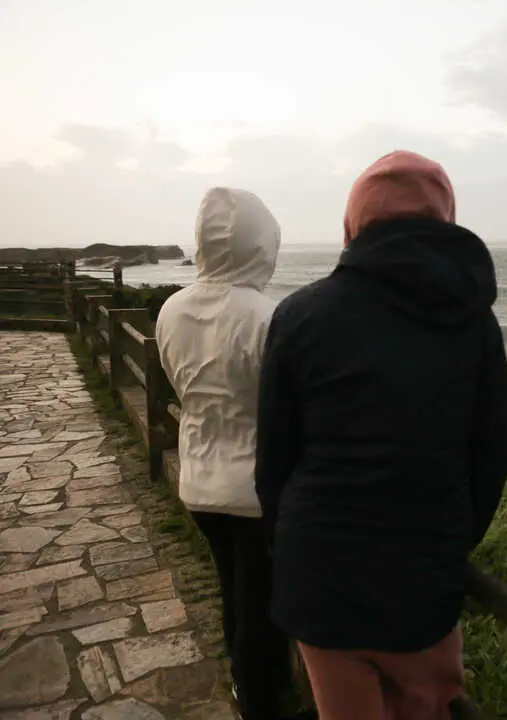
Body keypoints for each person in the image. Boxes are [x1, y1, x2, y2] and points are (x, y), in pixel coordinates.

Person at [255, 150, 507, 719]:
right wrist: (449, 540)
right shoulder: (473, 321)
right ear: (444, 217)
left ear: (354, 224)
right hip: (420, 577)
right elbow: (493, 450)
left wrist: (293, 541)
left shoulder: (301, 315)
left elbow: (273, 459)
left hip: (318, 573)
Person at [156, 187, 298, 720]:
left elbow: (180, 386)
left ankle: (249, 686)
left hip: (198, 477)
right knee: (259, 600)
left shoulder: (172, 310)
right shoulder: (266, 315)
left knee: (232, 588)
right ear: (262, 244)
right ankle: (262, 700)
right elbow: (284, 404)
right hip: (255, 486)